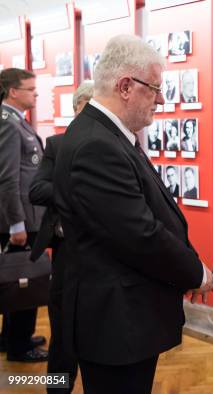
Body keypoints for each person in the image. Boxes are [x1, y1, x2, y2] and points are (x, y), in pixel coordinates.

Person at [52, 35, 213, 393]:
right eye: (155, 88)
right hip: (115, 323)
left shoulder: (106, 134)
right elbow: (138, 234)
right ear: (126, 86)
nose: (160, 98)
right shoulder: (97, 143)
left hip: (124, 317)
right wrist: (194, 271)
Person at [29, 81, 94, 393]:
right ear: (77, 107)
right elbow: (37, 189)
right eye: (89, 106)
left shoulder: (118, 145)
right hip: (67, 252)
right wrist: (74, 191)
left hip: (102, 252)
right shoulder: (56, 144)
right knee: (63, 334)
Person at [0, 68, 48, 363]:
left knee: (16, 277)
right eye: (31, 89)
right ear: (13, 92)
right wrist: (16, 223)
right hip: (21, 219)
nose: (36, 94)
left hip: (25, 216)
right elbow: (7, 179)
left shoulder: (15, 121)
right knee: (23, 279)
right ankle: (20, 346)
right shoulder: (7, 124)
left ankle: (10, 337)